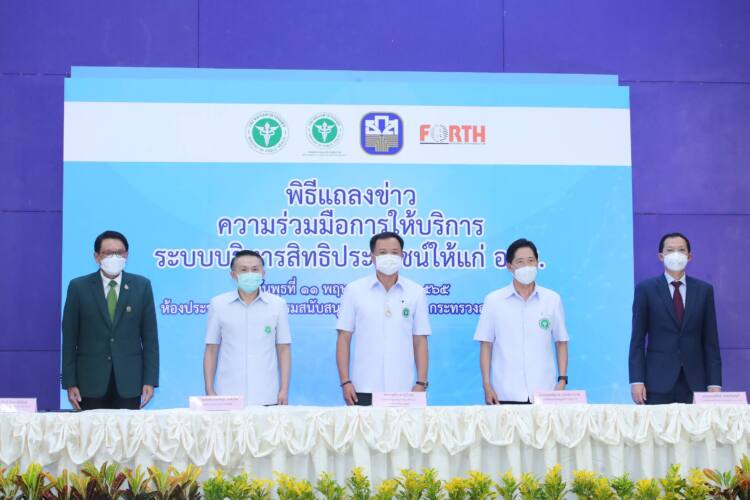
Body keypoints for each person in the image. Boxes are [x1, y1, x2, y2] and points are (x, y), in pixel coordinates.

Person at [62, 230, 159, 410]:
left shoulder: (142, 286)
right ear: (97, 256)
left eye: (119, 252)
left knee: (127, 429)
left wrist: (150, 380)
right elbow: (69, 339)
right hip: (89, 383)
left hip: (129, 383)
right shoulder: (78, 287)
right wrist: (70, 383)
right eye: (108, 253)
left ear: (126, 255)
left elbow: (150, 339)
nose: (115, 257)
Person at [336, 232, 431, 406]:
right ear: (372, 257)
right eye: (382, 252)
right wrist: (345, 382)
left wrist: (421, 382)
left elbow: (420, 340)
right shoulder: (354, 290)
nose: (389, 257)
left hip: (404, 390)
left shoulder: (416, 292)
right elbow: (343, 338)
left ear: (402, 256)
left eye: (394, 252)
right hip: (363, 386)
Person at [629, 232, 721, 404]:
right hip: (656, 382)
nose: (676, 255)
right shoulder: (645, 289)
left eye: (681, 250)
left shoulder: (704, 290)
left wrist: (714, 383)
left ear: (689, 256)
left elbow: (711, 341)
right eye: (670, 250)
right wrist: (636, 380)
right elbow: (637, 340)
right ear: (661, 256)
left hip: (695, 382)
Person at [473, 238, 569, 404]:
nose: (527, 266)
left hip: (545, 392)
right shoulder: (494, 300)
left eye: (531, 261)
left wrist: (562, 380)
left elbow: (561, 342)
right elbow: (486, 345)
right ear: (509, 266)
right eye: (520, 262)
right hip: (505, 393)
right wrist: (487, 385)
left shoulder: (552, 299)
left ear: (537, 263)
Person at [203, 250, 291, 406]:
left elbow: (283, 349)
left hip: (267, 395)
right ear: (233, 275)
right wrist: (209, 389)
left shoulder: (277, 304)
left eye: (255, 269)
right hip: (227, 395)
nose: (250, 274)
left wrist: (284, 390)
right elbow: (211, 349)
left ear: (263, 273)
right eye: (244, 270)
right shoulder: (218, 304)